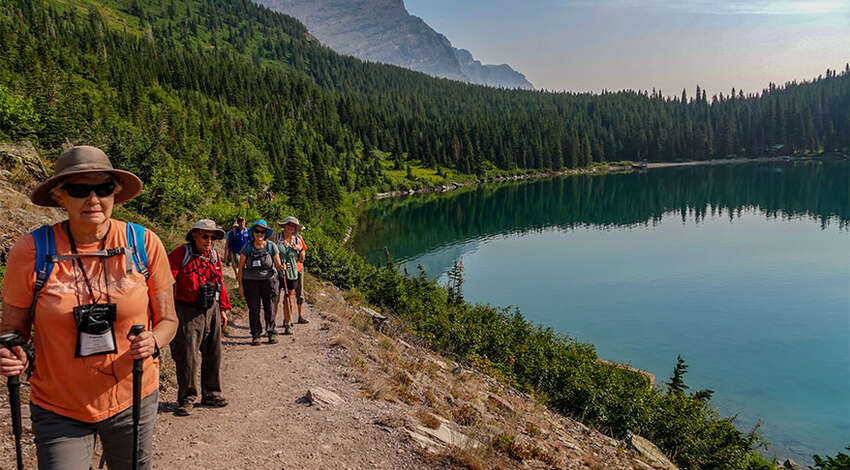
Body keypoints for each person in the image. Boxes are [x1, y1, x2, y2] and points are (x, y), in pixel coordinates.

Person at [0, 145, 178, 470]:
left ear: (116, 193)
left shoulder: (143, 244)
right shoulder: (31, 251)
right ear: (59, 196)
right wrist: (15, 352)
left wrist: (154, 340)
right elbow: (12, 332)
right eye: (79, 190)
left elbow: (168, 320)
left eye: (103, 188)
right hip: (59, 404)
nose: (93, 199)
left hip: (133, 395)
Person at [167, 219, 231, 416]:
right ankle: (187, 397)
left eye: (213, 237)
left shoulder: (213, 256)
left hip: (211, 308)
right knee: (187, 355)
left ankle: (211, 393)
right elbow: (167, 281)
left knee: (214, 352)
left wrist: (222, 308)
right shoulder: (180, 254)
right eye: (205, 236)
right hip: (187, 310)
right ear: (194, 234)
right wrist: (166, 312)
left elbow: (219, 281)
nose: (209, 240)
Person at [236, 220, 285, 345]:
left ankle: (271, 332)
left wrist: (282, 267)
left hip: (268, 281)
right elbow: (240, 267)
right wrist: (240, 286)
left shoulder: (271, 246)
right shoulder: (247, 247)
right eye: (257, 231)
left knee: (269, 307)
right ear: (253, 233)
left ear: (265, 233)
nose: (259, 234)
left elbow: (277, 263)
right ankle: (256, 334)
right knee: (254, 309)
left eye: (262, 231)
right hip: (250, 282)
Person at [276, 217, 308, 335]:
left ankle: (288, 323)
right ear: (284, 226)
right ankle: (271, 325)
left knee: (289, 297)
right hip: (277, 271)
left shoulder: (298, 240)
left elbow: (302, 258)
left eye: (292, 225)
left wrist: (299, 250)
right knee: (275, 297)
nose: (290, 227)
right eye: (288, 224)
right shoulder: (276, 237)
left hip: (292, 272)